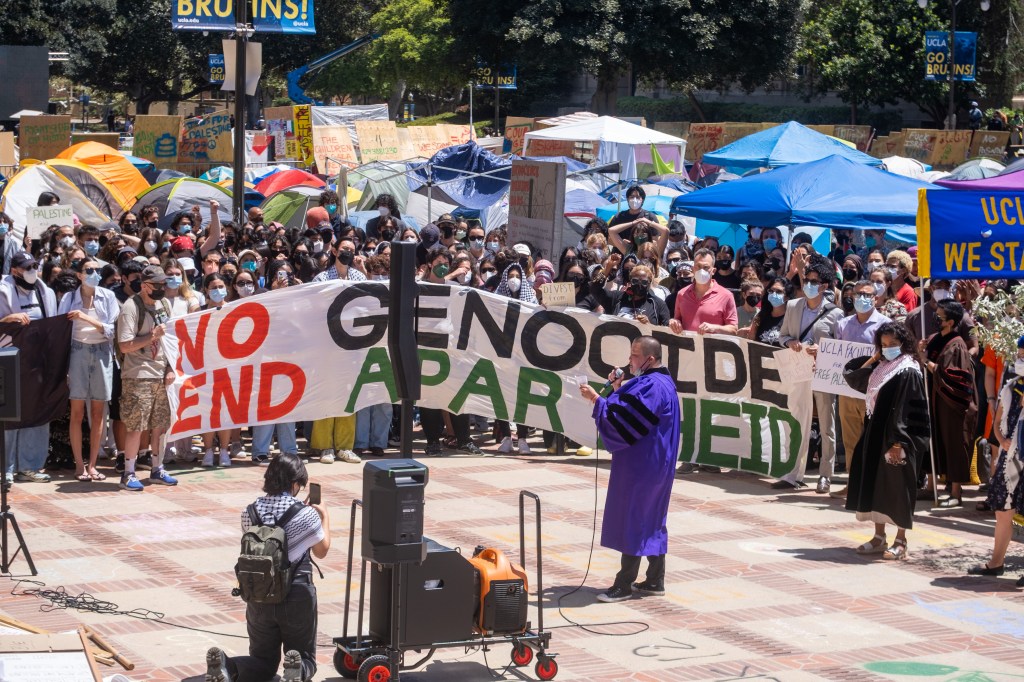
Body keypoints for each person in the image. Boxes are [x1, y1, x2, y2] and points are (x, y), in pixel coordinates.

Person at [205, 453, 330, 682]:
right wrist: (324, 516)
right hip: (296, 594)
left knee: (263, 662)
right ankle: (296, 672)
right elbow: (322, 551)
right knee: (304, 657)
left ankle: (227, 666)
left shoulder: (249, 512)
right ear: (294, 484)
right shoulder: (306, 515)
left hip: (258, 593)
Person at [579, 336, 680, 603]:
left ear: (650, 358)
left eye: (635, 355)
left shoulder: (652, 386)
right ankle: (655, 580)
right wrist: (616, 387)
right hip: (655, 462)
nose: (630, 360)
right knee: (651, 519)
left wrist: (596, 400)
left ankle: (624, 584)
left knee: (635, 518)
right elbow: (630, 408)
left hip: (643, 465)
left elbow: (625, 419)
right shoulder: (658, 381)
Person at [843, 322, 931, 560]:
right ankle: (879, 537)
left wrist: (898, 442)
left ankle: (901, 541)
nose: (888, 348)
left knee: (897, 487)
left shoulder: (909, 369)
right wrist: (875, 357)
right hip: (876, 433)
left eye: (893, 344)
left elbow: (907, 410)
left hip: (898, 439)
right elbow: (854, 378)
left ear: (904, 344)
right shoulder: (882, 367)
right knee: (876, 485)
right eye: (883, 344)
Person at [775, 254, 844, 492]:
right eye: (806, 280)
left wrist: (821, 350)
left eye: (814, 281)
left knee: (826, 425)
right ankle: (793, 472)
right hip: (797, 370)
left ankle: (826, 474)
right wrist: (790, 343)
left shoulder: (836, 314)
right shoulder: (793, 306)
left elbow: (839, 349)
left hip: (822, 373)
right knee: (796, 421)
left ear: (824, 286)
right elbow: (782, 336)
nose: (808, 285)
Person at [968, 336, 1024, 585]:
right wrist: (1001, 441)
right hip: (1010, 458)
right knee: (1003, 512)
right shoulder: (1011, 386)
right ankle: (996, 563)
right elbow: (999, 419)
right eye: (1020, 354)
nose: (1021, 358)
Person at [116, 265, 177, 490]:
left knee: (160, 424)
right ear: (144, 286)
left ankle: (156, 468)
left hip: (161, 373)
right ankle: (128, 472)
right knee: (136, 425)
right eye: (157, 285)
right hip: (138, 374)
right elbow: (124, 345)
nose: (162, 289)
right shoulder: (130, 307)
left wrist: (170, 368)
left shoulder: (164, 304)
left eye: (164, 284)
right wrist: (152, 336)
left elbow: (171, 340)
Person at [59, 258, 120, 482]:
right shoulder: (68, 298)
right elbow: (61, 331)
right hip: (77, 352)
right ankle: (79, 465)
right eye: (89, 270)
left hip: (103, 352)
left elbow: (113, 330)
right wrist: (64, 365)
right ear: (79, 275)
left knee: (98, 413)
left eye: (97, 270)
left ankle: (93, 465)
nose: (94, 273)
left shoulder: (108, 296)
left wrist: (86, 318)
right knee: (77, 412)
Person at [830, 280, 891, 499]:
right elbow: (835, 354)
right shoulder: (843, 324)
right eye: (858, 295)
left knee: (873, 437)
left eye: (867, 295)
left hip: (873, 391)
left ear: (876, 298)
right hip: (847, 391)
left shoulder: (885, 324)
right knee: (850, 439)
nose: (861, 299)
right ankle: (853, 483)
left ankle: (874, 484)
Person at [0, 253, 58, 485]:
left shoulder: (46, 292)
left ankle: (30, 466)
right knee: (8, 415)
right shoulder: (2, 291)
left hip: (38, 363)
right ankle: (5, 468)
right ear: (14, 270)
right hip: (8, 362)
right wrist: (6, 320)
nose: (32, 270)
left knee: (36, 413)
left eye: (35, 266)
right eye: (27, 267)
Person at [921, 299, 978, 508]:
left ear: (952, 322)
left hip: (952, 404)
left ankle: (955, 492)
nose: (936, 319)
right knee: (933, 440)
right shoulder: (935, 339)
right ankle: (930, 486)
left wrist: (924, 360)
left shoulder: (957, 345)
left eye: (940, 317)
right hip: (934, 400)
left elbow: (952, 376)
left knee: (954, 443)